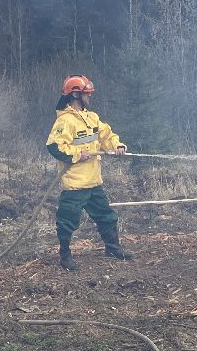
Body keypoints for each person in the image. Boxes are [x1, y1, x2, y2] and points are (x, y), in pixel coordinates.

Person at [44, 75, 133, 271]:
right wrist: (78, 154)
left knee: (106, 216)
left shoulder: (91, 117)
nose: (89, 98)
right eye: (86, 94)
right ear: (76, 94)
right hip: (75, 185)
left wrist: (117, 145)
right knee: (67, 221)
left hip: (94, 181)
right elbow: (54, 146)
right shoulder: (65, 121)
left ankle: (112, 248)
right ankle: (65, 256)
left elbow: (106, 135)